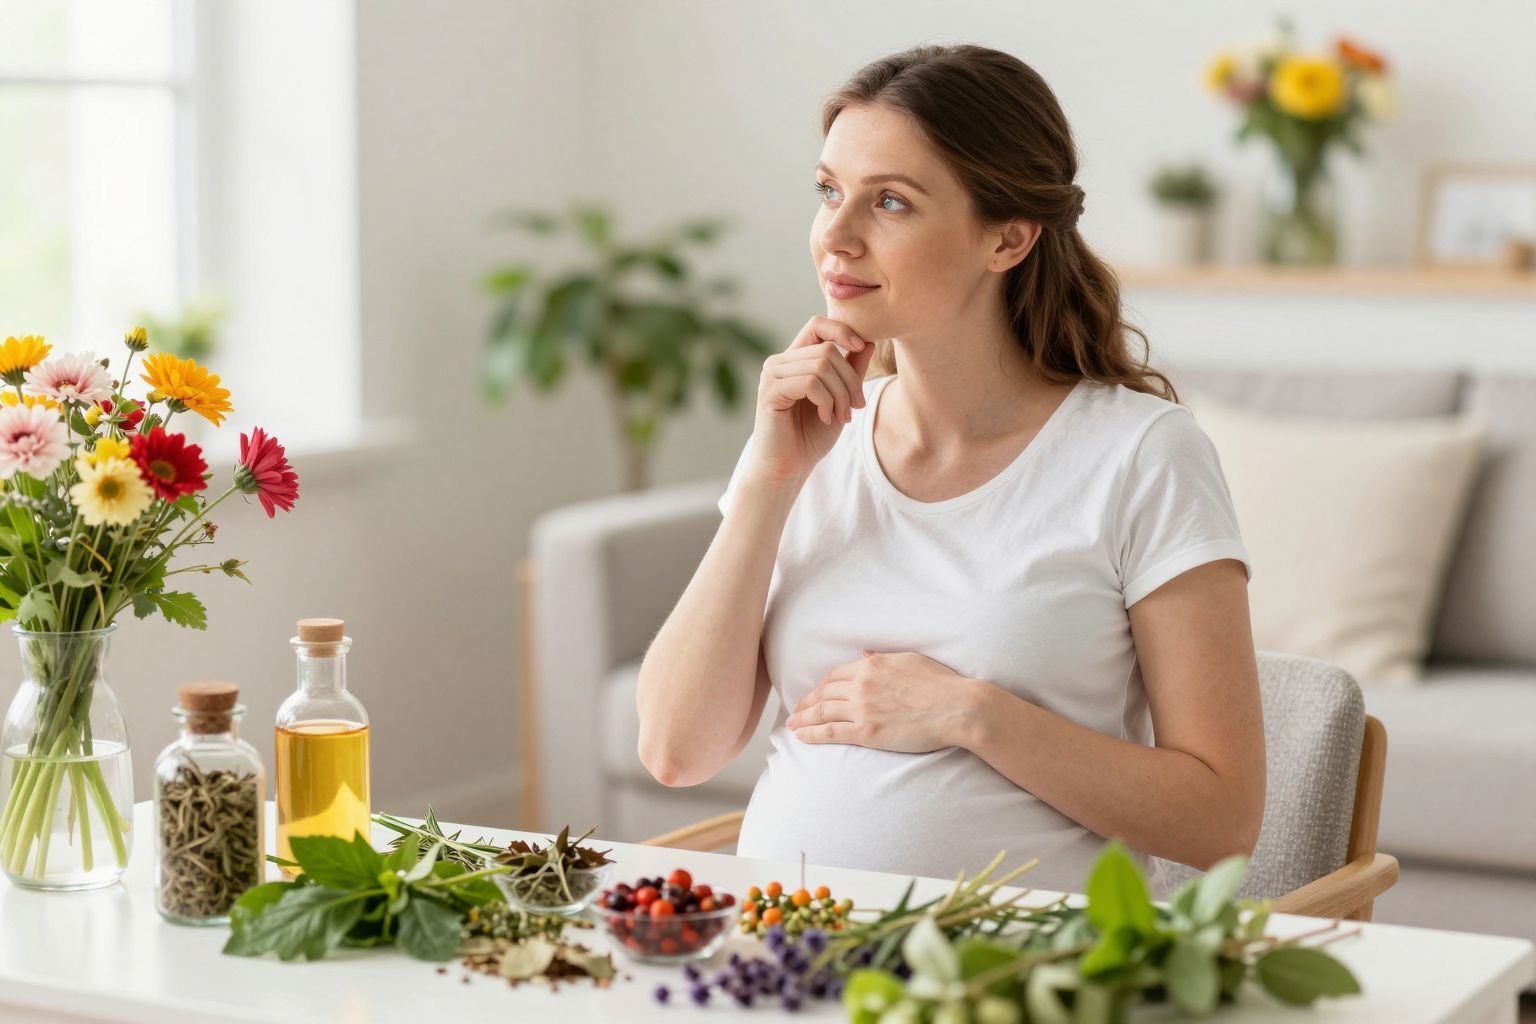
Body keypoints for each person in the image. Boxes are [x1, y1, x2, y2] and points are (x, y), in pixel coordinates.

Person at [635, 43, 1263, 898]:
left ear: (1006, 238)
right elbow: (676, 750)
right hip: (786, 960)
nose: (836, 236)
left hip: (1018, 977)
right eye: (829, 191)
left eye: (889, 201)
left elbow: (1222, 820)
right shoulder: (813, 448)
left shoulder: (1142, 453)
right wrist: (765, 483)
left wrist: (971, 716)